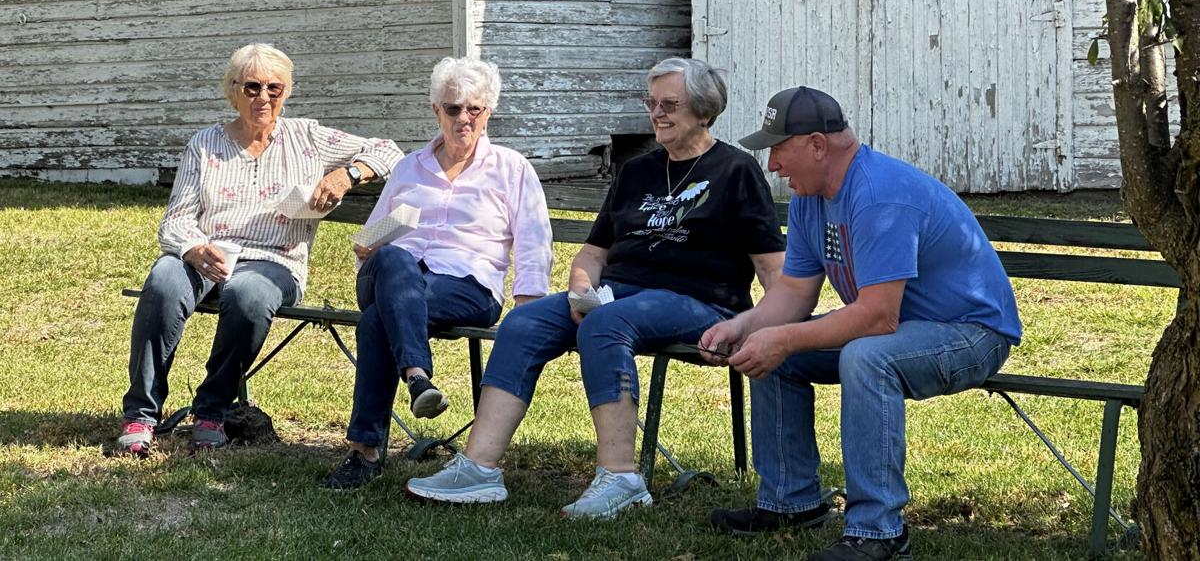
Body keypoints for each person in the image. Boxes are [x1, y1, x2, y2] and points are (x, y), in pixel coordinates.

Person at [403, 57, 786, 518]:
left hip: (702, 302)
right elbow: (593, 253)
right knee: (524, 321)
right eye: (652, 103)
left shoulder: (736, 170)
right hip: (619, 295)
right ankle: (479, 469)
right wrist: (582, 289)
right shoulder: (638, 170)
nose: (657, 113)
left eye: (670, 104)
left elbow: (771, 266)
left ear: (704, 110)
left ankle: (621, 477)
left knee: (608, 323)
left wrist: (766, 327)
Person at [701, 87, 1022, 560]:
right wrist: (743, 326)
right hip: (901, 328)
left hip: (970, 332)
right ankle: (791, 502)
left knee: (865, 356)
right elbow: (793, 293)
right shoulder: (812, 195)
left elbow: (876, 315)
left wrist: (783, 337)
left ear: (816, 144)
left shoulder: (878, 195)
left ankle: (880, 534)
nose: (772, 165)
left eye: (778, 149)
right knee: (769, 349)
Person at [111, 43, 404, 456]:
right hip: (206, 254)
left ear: (287, 92)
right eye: (252, 87)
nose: (263, 97)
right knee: (163, 280)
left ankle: (212, 409)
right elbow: (175, 220)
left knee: (248, 296)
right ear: (233, 90)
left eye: (274, 88)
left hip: (275, 261)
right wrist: (194, 247)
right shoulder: (205, 144)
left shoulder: (307, 138)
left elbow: (389, 151)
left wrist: (346, 175)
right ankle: (141, 414)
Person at [321, 57, 553, 490]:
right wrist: (368, 245)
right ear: (435, 110)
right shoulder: (409, 167)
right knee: (394, 260)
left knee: (378, 320)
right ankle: (417, 374)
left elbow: (534, 238)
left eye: (474, 110)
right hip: (387, 275)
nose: (463, 119)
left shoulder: (511, 167)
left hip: (467, 286)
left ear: (489, 112)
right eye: (453, 109)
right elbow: (373, 235)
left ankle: (365, 451)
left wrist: (528, 305)